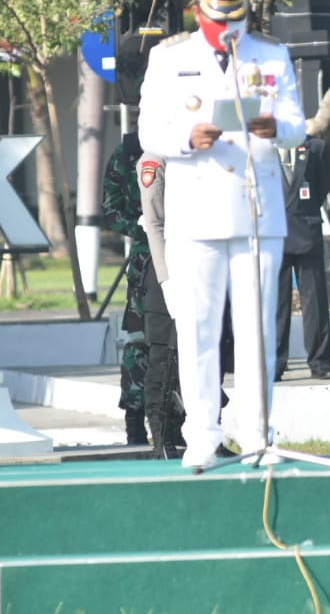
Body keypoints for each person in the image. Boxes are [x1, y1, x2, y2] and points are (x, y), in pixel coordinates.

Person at [137, 0, 305, 469]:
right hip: (196, 206)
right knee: (198, 329)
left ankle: (257, 435)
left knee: (257, 330)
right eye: (218, 20)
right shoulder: (170, 58)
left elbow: (298, 123)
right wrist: (187, 139)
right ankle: (202, 437)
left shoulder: (270, 54)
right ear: (197, 12)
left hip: (256, 207)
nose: (228, 29)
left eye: (236, 19)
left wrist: (276, 126)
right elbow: (150, 131)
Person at [100, 130, 150, 447]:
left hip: (194, 254)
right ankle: (135, 422)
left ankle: (179, 422)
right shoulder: (129, 152)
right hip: (146, 260)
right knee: (139, 340)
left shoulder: (195, 143)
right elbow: (110, 210)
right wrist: (142, 228)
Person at [135, 153, 187, 458]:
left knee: (208, 356)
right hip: (164, 270)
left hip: (200, 267)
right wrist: (167, 279)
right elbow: (154, 223)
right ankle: (161, 436)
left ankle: (204, 431)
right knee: (163, 360)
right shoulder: (155, 159)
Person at [276, 136, 330, 380]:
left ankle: (320, 362)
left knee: (315, 303)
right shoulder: (261, 147)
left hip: (307, 230)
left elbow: (322, 186)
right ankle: (275, 363)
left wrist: (306, 210)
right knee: (277, 304)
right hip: (274, 234)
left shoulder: (316, 147)